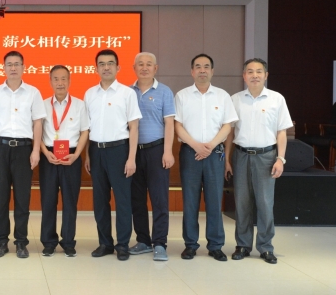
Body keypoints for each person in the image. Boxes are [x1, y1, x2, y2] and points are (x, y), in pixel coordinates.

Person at [225, 58, 292, 264]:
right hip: (241, 156)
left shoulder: (276, 99)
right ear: (244, 76)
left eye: (259, 71)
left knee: (265, 203)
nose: (255, 75)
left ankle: (265, 247)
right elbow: (229, 132)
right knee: (242, 203)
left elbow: (282, 132)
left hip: (267, 157)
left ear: (266, 75)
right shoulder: (235, 99)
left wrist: (280, 159)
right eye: (250, 71)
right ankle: (243, 245)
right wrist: (227, 159)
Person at [0, 51, 46, 259]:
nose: (13, 68)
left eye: (17, 64)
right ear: (4, 68)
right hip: (0, 148)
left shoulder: (33, 93)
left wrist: (35, 150)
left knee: (22, 199)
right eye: (9, 64)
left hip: (24, 149)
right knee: (0, 199)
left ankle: (21, 242)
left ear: (24, 67)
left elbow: (38, 123)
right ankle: (1, 242)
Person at [175, 53, 237, 261]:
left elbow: (228, 125)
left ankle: (216, 245)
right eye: (198, 67)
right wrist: (196, 146)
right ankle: (190, 245)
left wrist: (210, 146)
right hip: (189, 153)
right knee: (190, 202)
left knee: (214, 201)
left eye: (206, 66)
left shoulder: (222, 96)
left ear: (212, 71)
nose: (202, 70)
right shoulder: (182, 96)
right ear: (192, 71)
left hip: (214, 154)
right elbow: (177, 125)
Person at [85, 49, 141, 261]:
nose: (106, 67)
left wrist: (131, 158)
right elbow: (87, 128)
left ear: (118, 67)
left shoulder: (127, 93)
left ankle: (123, 244)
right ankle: (105, 243)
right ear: (96, 68)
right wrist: (88, 155)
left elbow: (134, 127)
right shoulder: (90, 94)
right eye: (102, 64)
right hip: (96, 151)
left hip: (120, 151)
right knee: (100, 200)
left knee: (123, 200)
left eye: (110, 63)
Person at [128, 52, 176, 261]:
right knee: (136, 199)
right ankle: (143, 240)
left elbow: (169, 123)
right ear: (134, 68)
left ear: (155, 68)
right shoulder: (127, 92)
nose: (144, 68)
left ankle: (160, 243)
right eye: (140, 64)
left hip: (157, 150)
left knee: (159, 199)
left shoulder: (164, 91)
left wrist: (168, 151)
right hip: (132, 152)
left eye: (149, 64)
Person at [39, 65, 90, 257]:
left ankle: (68, 241)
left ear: (69, 81)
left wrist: (76, 155)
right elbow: (37, 133)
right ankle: (48, 242)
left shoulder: (79, 105)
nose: (60, 83)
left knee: (70, 201)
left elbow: (85, 131)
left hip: (71, 156)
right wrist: (45, 152)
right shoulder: (43, 105)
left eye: (63, 79)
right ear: (50, 81)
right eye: (56, 79)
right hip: (49, 156)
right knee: (48, 200)